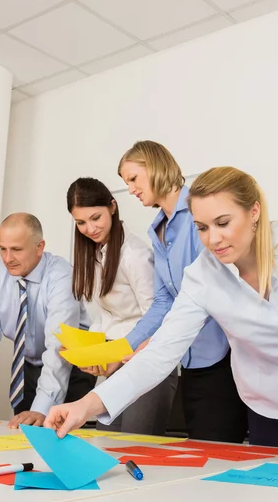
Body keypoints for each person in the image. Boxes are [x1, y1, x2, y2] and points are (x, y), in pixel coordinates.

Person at [45, 167, 278, 463]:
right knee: (276, 484)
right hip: (267, 396)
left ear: (254, 212)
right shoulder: (201, 276)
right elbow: (159, 355)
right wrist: (85, 405)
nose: (213, 239)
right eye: (202, 228)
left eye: (223, 223)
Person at [117, 141, 247, 442]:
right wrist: (125, 348)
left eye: (133, 178)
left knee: (219, 450)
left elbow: (215, 293)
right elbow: (164, 300)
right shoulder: (157, 229)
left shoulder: (199, 215)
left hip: (224, 356)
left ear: (155, 166)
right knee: (199, 447)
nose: (131, 189)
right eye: (126, 183)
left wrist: (156, 341)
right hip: (188, 359)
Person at [0, 213, 95, 428]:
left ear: (39, 247)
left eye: (16, 249)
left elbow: (58, 346)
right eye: (2, 249)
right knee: (24, 437)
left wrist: (41, 409)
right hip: (28, 367)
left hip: (73, 365)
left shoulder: (62, 276)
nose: (7, 258)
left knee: (63, 442)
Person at [66, 177, 177, 435]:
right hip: (113, 358)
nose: (90, 228)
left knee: (136, 445)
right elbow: (107, 316)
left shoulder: (135, 254)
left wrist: (117, 355)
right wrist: (88, 352)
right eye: (80, 222)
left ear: (113, 207)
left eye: (96, 218)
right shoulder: (93, 252)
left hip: (144, 359)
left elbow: (158, 315)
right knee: (110, 445)